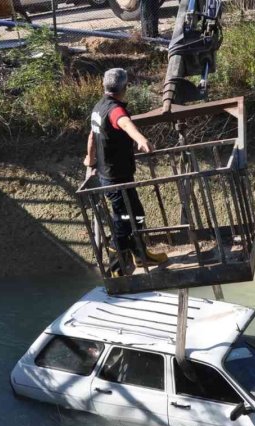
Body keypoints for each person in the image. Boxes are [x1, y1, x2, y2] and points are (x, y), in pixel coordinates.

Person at [84, 68, 167, 274]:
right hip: (115, 178)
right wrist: (141, 140)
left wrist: (90, 158)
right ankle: (116, 267)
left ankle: (139, 254)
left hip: (114, 175)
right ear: (125, 87)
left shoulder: (98, 107)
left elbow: (92, 137)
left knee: (136, 214)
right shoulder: (114, 110)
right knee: (122, 220)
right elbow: (125, 123)